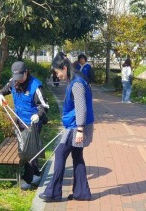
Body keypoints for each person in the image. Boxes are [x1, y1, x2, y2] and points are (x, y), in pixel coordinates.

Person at [39, 52, 94, 202]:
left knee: (60, 154)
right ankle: (81, 193)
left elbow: (81, 108)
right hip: (77, 124)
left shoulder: (76, 83)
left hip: (77, 126)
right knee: (77, 156)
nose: (56, 76)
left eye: (57, 72)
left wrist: (80, 130)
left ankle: (53, 193)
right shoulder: (76, 79)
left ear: (64, 68)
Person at [0, 61, 49, 190]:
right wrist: (0, 95)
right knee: (27, 149)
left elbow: (45, 106)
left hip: (32, 122)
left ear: (26, 72)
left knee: (28, 151)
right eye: (16, 78)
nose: (18, 81)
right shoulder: (13, 81)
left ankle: (28, 180)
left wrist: (38, 116)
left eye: (21, 77)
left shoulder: (36, 86)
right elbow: (4, 89)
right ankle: (35, 174)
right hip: (19, 120)